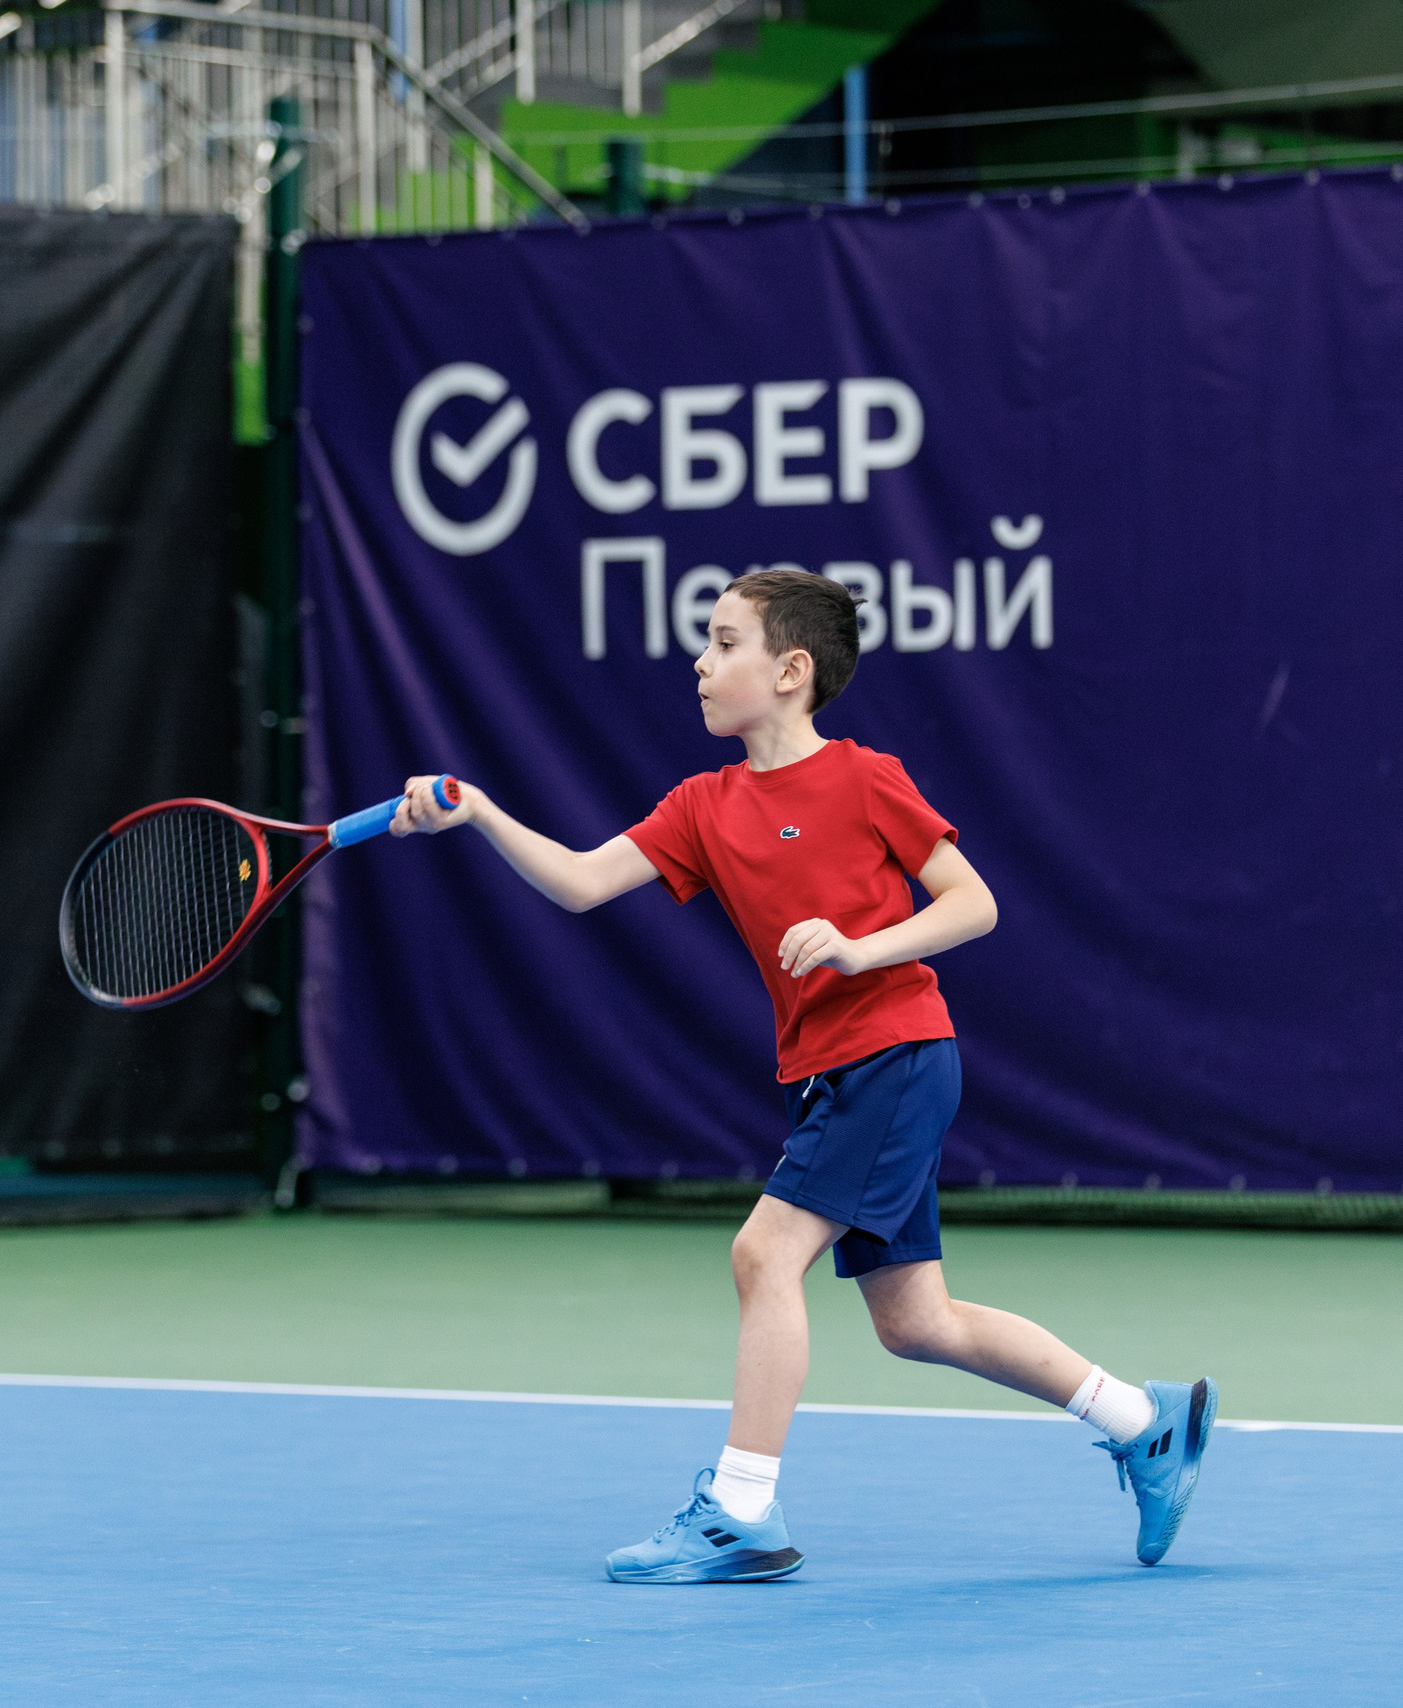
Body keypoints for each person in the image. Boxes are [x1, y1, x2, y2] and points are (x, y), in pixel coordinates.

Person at [390, 566, 1215, 1584]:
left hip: (896, 1051)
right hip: (832, 1072)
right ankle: (1145, 1423)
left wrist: (863, 947)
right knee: (915, 1321)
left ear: (790, 669)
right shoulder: (703, 804)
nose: (700, 660)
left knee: (762, 1253)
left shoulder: (867, 778)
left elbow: (972, 902)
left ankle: (740, 1509)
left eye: (723, 641)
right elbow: (581, 879)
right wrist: (474, 810)